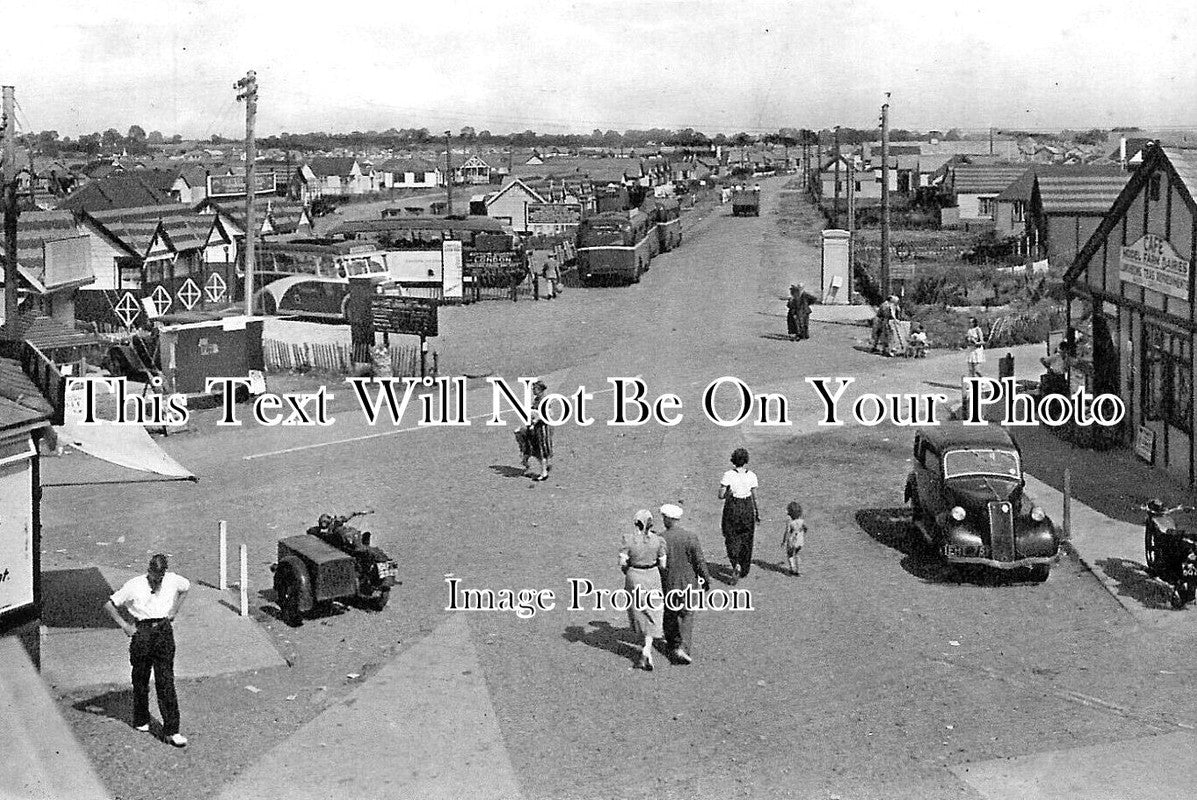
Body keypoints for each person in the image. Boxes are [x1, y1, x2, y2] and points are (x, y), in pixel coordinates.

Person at [104, 554, 191, 747]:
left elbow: (186, 588)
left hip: (163, 631)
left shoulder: (173, 580)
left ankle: (171, 730)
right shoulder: (134, 585)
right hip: (142, 632)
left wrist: (175, 610)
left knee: (166, 679)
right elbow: (109, 604)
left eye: (160, 577)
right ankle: (141, 718)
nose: (156, 581)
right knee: (140, 677)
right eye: (153, 576)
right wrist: (125, 626)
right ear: (148, 571)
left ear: (164, 573)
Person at [658, 503, 710, 665]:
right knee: (687, 616)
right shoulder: (690, 537)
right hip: (689, 583)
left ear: (667, 519)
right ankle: (684, 648)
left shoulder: (661, 539)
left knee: (670, 614)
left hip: (670, 583)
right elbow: (699, 561)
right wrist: (706, 578)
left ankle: (673, 644)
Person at [619, 509, 667, 671]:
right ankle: (647, 648)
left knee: (637, 610)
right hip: (652, 575)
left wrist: (628, 571)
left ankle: (644, 648)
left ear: (636, 523)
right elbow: (663, 564)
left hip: (634, 576)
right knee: (652, 611)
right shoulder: (658, 541)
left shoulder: (629, 539)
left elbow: (622, 562)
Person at [719, 448, 760, 581]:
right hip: (747, 506)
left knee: (730, 535)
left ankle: (735, 562)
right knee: (747, 538)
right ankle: (744, 567)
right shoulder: (752, 475)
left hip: (733, 506)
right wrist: (757, 512)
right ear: (746, 460)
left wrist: (727, 493)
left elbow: (721, 495)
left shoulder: (728, 475)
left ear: (733, 460)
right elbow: (755, 497)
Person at [514, 378, 552, 480]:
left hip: (542, 428)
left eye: (535, 389)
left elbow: (549, 413)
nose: (533, 391)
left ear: (540, 389)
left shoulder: (544, 400)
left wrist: (536, 419)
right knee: (537, 448)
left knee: (541, 449)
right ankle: (543, 467)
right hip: (535, 427)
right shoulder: (536, 399)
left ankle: (544, 473)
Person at [782, 500, 807, 576]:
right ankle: (798, 570)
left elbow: (787, 532)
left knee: (790, 554)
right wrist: (802, 533)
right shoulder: (801, 521)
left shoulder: (790, 522)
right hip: (800, 540)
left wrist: (784, 541)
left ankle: (792, 568)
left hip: (792, 541)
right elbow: (805, 528)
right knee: (797, 554)